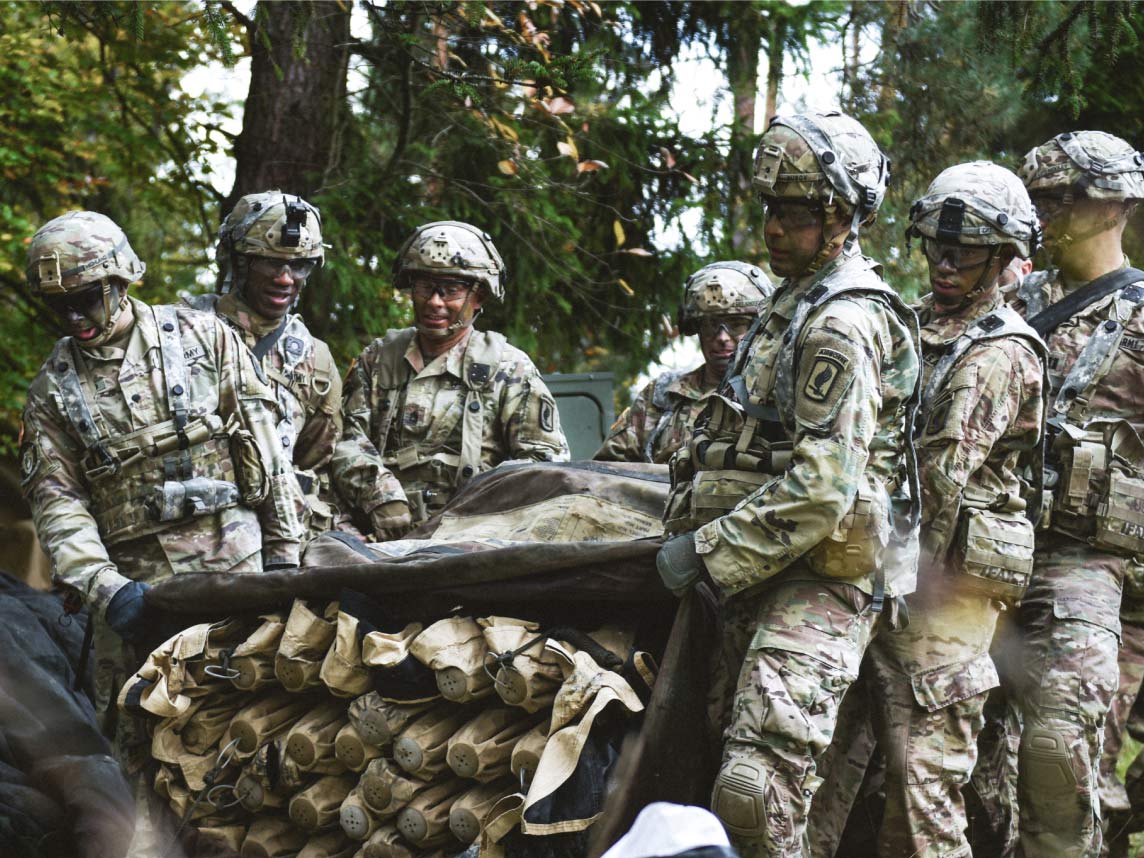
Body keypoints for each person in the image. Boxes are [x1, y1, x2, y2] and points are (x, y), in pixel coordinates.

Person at [656, 110, 920, 856]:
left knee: (753, 790)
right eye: (769, 208)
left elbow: (821, 487)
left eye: (795, 211)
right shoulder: (789, 300)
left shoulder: (841, 320)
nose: (773, 227)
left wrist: (705, 550)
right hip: (768, 572)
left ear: (841, 214)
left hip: (823, 575)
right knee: (756, 790)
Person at [18, 210, 304, 852]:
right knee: (138, 759)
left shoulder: (205, 339)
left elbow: (269, 457)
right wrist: (105, 588)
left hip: (237, 582)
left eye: (86, 299)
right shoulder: (53, 393)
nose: (74, 319)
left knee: (258, 738)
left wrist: (286, 565)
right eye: (57, 307)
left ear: (120, 281)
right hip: (134, 603)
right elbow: (59, 506)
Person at [811, 161, 1047, 858]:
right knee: (819, 773)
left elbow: (939, 477)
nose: (945, 265)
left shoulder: (1002, 350)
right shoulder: (909, 326)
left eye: (965, 252)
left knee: (925, 788)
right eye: (936, 249)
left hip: (945, 596)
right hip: (879, 573)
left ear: (1004, 257)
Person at [1006, 130, 1144, 856]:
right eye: (1035, 198)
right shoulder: (1004, 303)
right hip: (977, 555)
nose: (1040, 213)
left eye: (1058, 198)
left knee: (1062, 756)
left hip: (1095, 572)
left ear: (1112, 205)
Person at [331, 220, 570, 534]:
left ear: (479, 296)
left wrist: (482, 511)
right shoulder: (378, 360)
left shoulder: (509, 369)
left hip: (474, 537)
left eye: (451, 290)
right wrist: (382, 498)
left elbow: (545, 464)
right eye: (424, 286)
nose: (434, 302)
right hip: (381, 532)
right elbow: (345, 439)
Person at [188, 190, 342, 539]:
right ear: (239, 261)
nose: (286, 278)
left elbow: (318, 460)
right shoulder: (178, 334)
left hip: (279, 543)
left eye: (299, 265)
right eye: (271, 262)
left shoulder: (314, 360)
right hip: (190, 540)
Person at [595, 261, 772, 464]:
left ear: (758, 328)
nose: (722, 337)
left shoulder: (776, 394)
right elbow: (608, 470)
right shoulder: (662, 396)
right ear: (696, 329)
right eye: (711, 325)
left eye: (736, 324)